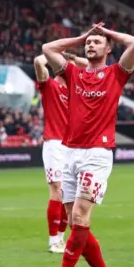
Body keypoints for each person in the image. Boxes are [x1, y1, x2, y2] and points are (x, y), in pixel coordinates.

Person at [32, 22, 134, 267]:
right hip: (69, 152)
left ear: (107, 49)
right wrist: (82, 36)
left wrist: (108, 34)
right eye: (88, 43)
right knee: (74, 222)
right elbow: (47, 48)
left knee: (80, 217)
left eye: (96, 43)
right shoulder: (73, 73)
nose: (91, 45)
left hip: (97, 154)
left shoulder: (116, 74)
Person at [33, 52, 89, 254]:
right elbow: (39, 61)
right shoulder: (50, 85)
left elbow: (97, 66)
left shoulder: (76, 90)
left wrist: (72, 57)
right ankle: (52, 240)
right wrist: (56, 54)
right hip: (54, 144)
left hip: (72, 145)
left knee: (68, 194)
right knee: (56, 189)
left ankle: (61, 239)